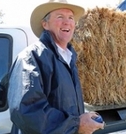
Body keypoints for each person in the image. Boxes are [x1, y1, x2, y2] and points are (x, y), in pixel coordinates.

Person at [7, 0, 105, 134]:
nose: (67, 22)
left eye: (70, 18)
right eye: (60, 17)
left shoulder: (68, 58)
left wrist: (84, 116)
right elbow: (27, 111)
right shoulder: (32, 57)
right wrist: (77, 124)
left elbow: (62, 103)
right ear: (45, 24)